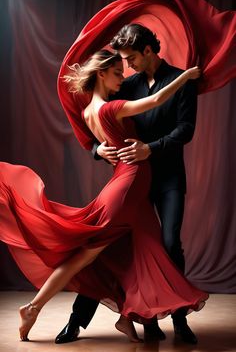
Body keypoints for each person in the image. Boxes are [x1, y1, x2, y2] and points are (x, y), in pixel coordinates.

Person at [0, 49, 207, 343]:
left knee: (143, 250)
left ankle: (127, 317)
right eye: (117, 73)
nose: (123, 78)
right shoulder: (111, 108)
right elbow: (157, 100)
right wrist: (186, 76)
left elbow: (105, 139)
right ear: (101, 73)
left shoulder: (89, 111)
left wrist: (101, 147)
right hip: (129, 186)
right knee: (88, 254)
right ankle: (33, 308)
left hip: (129, 184)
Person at [56, 24, 199, 345]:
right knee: (108, 245)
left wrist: (152, 147)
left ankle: (178, 319)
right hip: (132, 180)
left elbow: (186, 129)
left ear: (148, 51)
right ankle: (77, 321)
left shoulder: (182, 81)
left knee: (170, 243)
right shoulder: (126, 85)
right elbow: (100, 118)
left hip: (168, 177)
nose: (127, 65)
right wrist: (97, 149)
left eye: (131, 57)